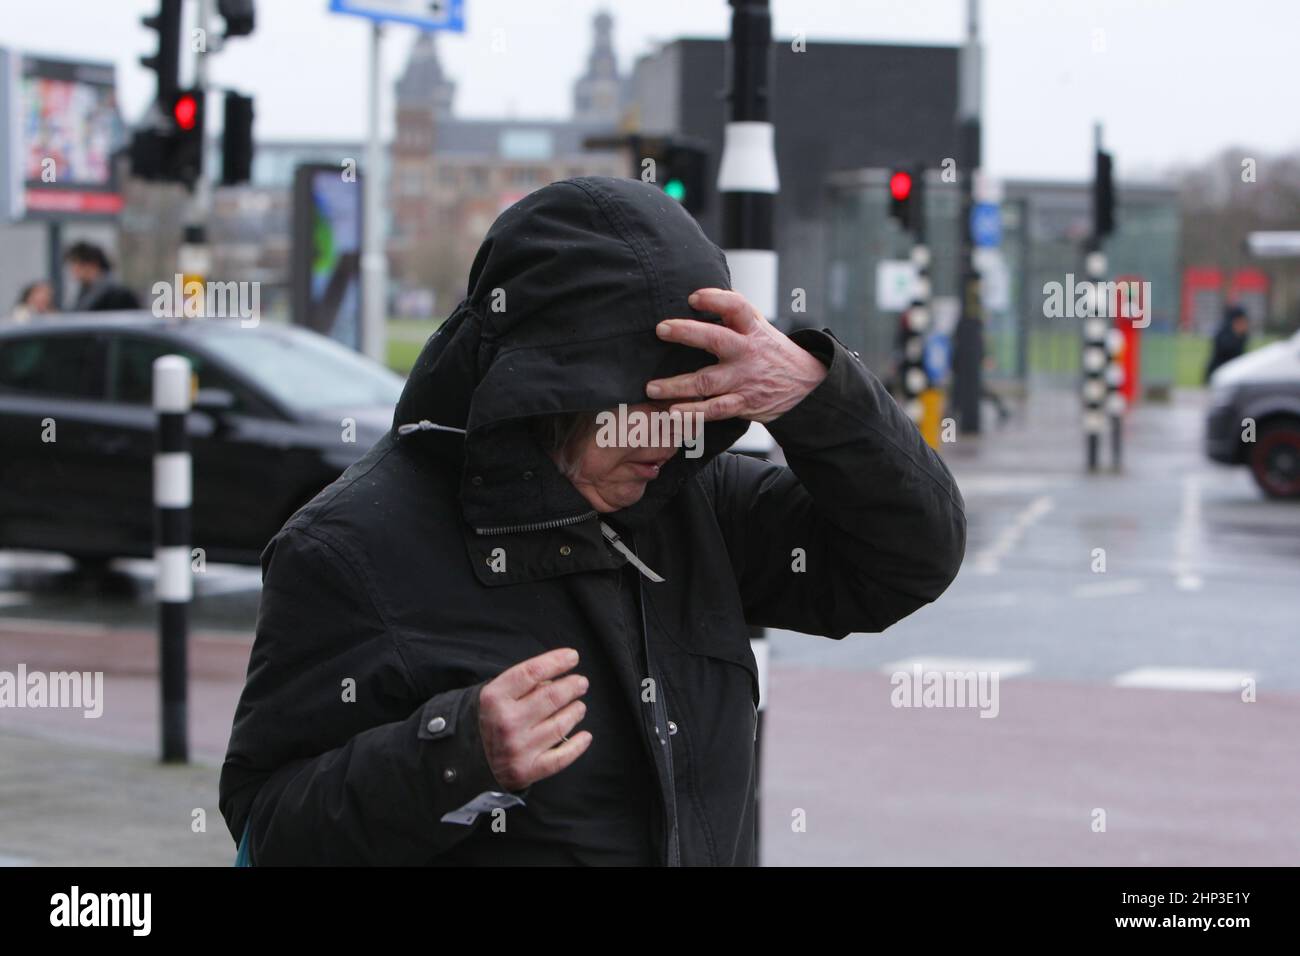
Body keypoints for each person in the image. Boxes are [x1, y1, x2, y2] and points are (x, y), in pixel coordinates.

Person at [219, 176, 967, 866]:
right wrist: (450, 753)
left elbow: (910, 557)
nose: (671, 439)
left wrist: (817, 393)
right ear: (547, 391)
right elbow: (269, 829)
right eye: (647, 407)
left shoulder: (696, 504)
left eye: (689, 405)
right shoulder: (351, 548)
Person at [63, 241, 141, 312]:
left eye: (75, 263)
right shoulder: (86, 291)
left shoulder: (117, 295)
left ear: (92, 264)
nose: (72, 269)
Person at [1204, 305, 1250, 382]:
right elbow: (1226, 351)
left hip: (1233, 374)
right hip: (1218, 373)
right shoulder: (1223, 334)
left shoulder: (1243, 335)